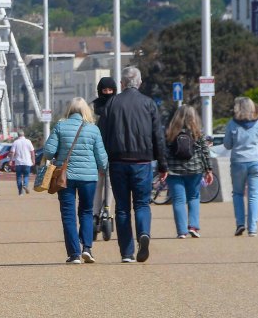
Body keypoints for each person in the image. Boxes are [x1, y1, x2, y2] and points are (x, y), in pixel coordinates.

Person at [99, 66, 167, 263]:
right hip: (142, 161)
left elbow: (101, 135)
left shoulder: (111, 104)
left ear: (122, 83)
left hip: (118, 160)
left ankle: (127, 252)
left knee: (122, 208)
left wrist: (102, 161)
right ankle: (143, 233)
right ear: (139, 83)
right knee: (142, 203)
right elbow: (158, 136)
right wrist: (163, 165)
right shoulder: (148, 103)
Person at [43, 98, 108, 264]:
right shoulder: (93, 129)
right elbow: (102, 158)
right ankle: (87, 248)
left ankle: (74, 254)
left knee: (68, 214)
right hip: (88, 177)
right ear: (86, 111)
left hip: (65, 177)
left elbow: (49, 152)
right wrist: (102, 168)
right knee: (86, 211)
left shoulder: (60, 126)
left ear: (69, 110)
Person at [223, 96, 258, 237]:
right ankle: (253, 228)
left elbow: (227, 145)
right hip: (256, 161)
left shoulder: (232, 123)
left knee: (238, 193)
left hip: (238, 162)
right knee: (253, 195)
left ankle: (240, 224)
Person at [164, 105, 213, 239]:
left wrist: (162, 169)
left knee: (178, 200)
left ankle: (181, 231)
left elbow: (165, 152)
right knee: (193, 197)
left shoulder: (170, 133)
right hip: (194, 170)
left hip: (174, 171)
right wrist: (209, 170)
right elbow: (205, 152)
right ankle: (193, 226)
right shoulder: (197, 132)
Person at [91, 77, 117, 229]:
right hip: (98, 149)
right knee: (99, 181)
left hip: (112, 149)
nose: (107, 93)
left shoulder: (117, 105)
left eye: (110, 90)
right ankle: (95, 212)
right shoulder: (95, 107)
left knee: (109, 182)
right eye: (104, 90)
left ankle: (107, 209)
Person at [11, 131, 35, 195]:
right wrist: (33, 160)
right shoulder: (28, 141)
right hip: (27, 162)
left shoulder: (15, 142)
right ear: (23, 134)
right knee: (26, 175)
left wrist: (11, 160)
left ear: (18, 135)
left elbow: (12, 152)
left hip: (18, 162)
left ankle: (20, 192)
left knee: (18, 177)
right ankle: (25, 184)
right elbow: (32, 152)